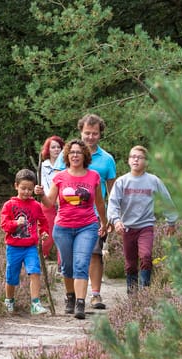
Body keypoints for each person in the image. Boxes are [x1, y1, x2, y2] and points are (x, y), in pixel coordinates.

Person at [51, 114, 116, 310]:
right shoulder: (68, 155)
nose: (90, 137)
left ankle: (95, 295)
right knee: (69, 261)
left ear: (100, 134)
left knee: (94, 254)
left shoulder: (107, 160)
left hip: (94, 215)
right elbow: (56, 186)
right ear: (81, 132)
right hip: (68, 216)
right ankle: (71, 296)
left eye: (94, 133)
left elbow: (113, 190)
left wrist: (110, 217)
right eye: (87, 133)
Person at [39, 140, 107, 319]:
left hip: (88, 226)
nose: (75, 155)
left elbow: (99, 203)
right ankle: (70, 297)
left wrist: (104, 222)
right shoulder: (60, 177)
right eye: (72, 153)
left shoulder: (94, 176)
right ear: (67, 156)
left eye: (78, 152)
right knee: (67, 266)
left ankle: (80, 303)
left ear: (85, 155)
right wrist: (41, 195)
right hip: (63, 228)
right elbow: (49, 203)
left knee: (81, 264)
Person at [107, 145, 178, 294]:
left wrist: (171, 221)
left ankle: (145, 292)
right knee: (130, 264)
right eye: (133, 157)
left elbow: (166, 200)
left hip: (146, 226)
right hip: (127, 228)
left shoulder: (153, 181)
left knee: (145, 256)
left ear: (146, 162)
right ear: (128, 160)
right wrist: (116, 220)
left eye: (139, 157)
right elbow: (113, 203)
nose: (136, 160)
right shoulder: (122, 182)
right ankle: (132, 295)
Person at [0, 169, 51, 316]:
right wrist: (16, 223)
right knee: (11, 276)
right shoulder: (9, 205)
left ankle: (35, 304)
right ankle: (9, 300)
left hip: (30, 247)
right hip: (13, 247)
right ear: (16, 186)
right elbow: (4, 225)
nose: (27, 192)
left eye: (30, 189)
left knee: (35, 272)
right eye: (23, 188)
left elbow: (43, 221)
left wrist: (44, 232)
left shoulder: (35, 205)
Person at [39, 135, 64, 259]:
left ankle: (61, 266)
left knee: (62, 236)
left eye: (59, 147)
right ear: (48, 149)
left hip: (64, 205)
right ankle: (40, 259)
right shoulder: (43, 166)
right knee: (47, 236)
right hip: (48, 204)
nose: (56, 150)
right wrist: (52, 199)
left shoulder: (67, 166)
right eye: (53, 147)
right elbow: (43, 184)